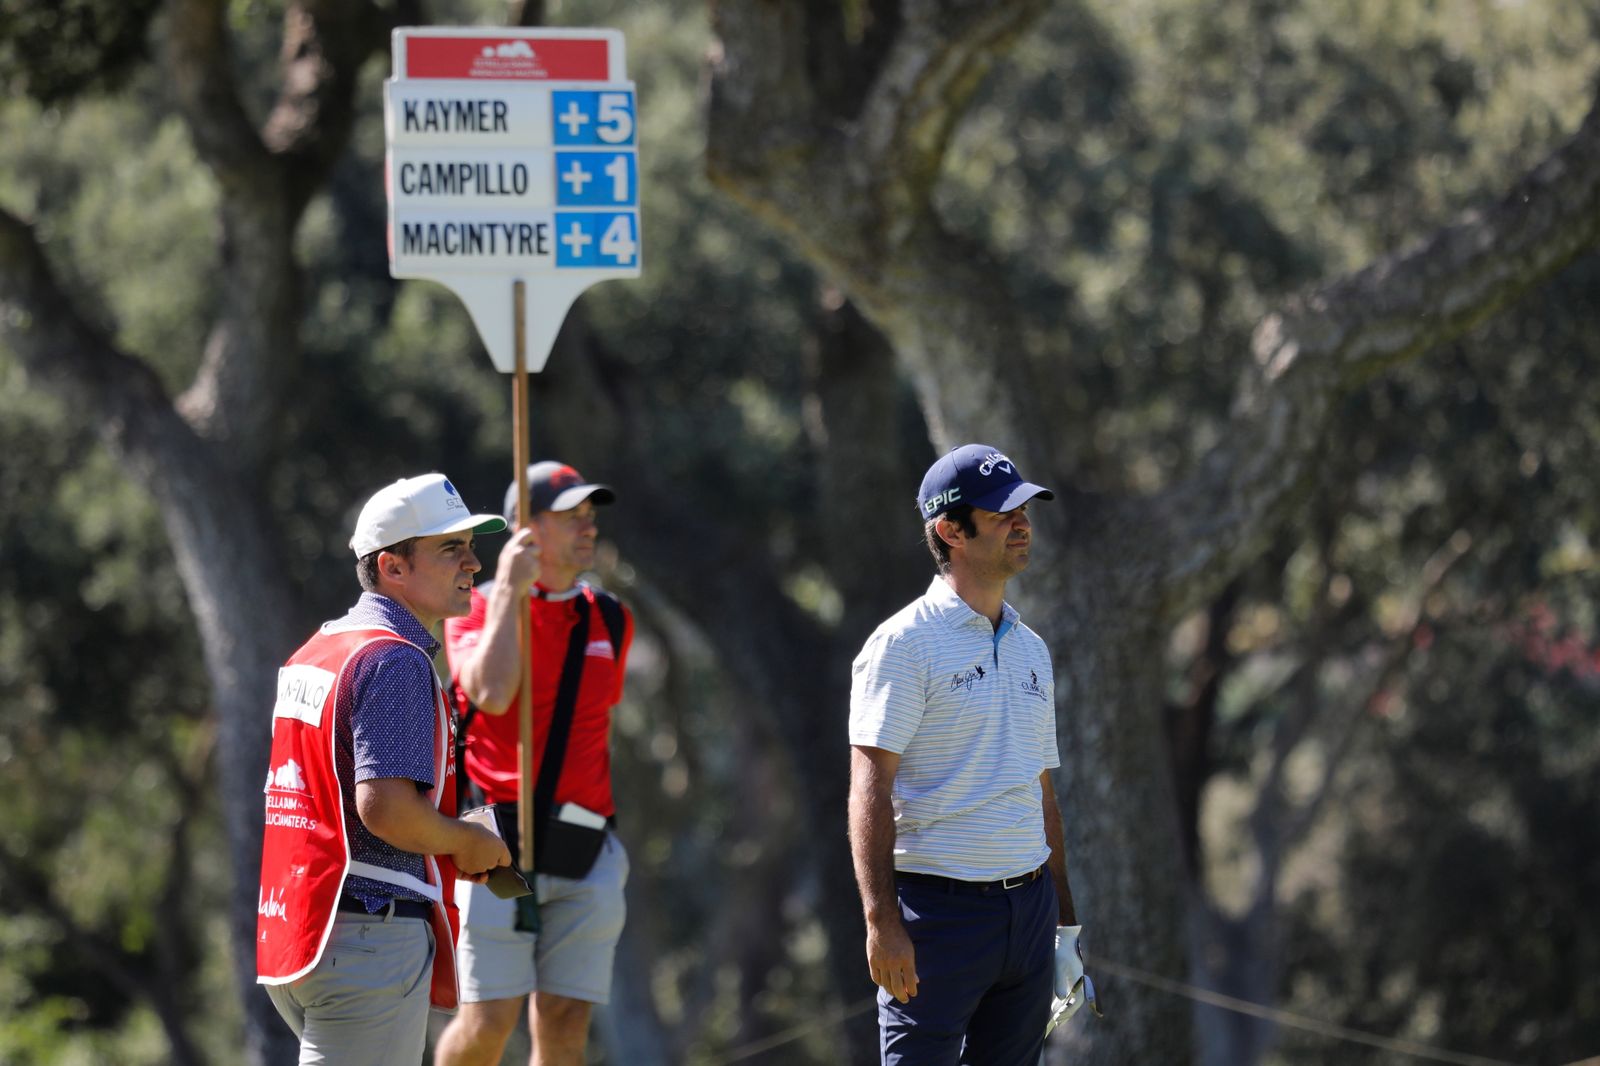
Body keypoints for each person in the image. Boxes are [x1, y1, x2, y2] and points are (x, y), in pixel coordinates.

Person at [255, 472, 514, 1066]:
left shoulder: (318, 649)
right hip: (371, 936)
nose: (473, 563)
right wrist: (465, 840)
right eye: (451, 548)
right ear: (393, 568)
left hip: (304, 931)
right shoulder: (394, 659)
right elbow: (387, 808)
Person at [847, 444, 1090, 1065]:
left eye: (1025, 512)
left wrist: (1064, 926)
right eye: (1003, 514)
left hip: (1028, 913)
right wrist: (881, 922)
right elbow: (869, 788)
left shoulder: (1032, 649)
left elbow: (1040, 793)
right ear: (951, 530)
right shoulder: (902, 644)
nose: (1022, 526)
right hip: (937, 917)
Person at [434, 460, 634, 1066]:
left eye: (590, 515)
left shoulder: (611, 617)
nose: (588, 527)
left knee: (567, 1022)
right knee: (489, 1020)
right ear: (526, 528)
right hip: (494, 846)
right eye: (570, 515)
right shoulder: (473, 607)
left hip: (584, 840)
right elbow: (491, 694)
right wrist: (512, 592)